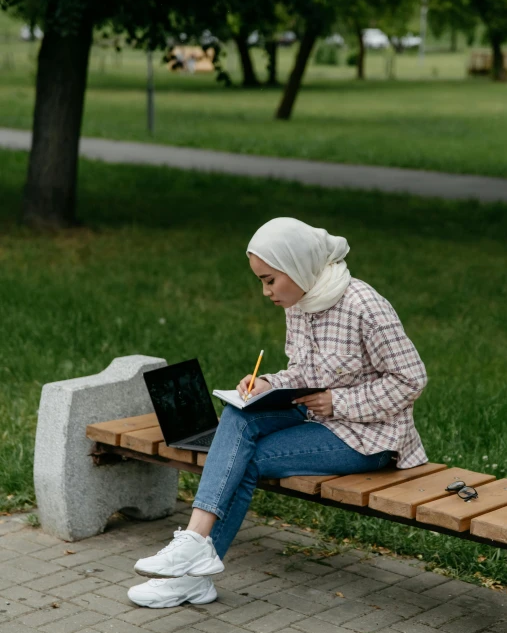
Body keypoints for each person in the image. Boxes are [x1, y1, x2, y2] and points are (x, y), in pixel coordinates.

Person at [128, 217, 428, 608]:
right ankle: (196, 546)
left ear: (299, 267)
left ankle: (193, 574)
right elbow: (303, 370)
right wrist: (269, 384)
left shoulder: (365, 306)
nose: (266, 291)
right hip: (315, 417)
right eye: (261, 281)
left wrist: (338, 402)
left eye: (270, 279)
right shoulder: (300, 303)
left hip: (369, 438)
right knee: (238, 415)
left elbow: (411, 379)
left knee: (242, 458)